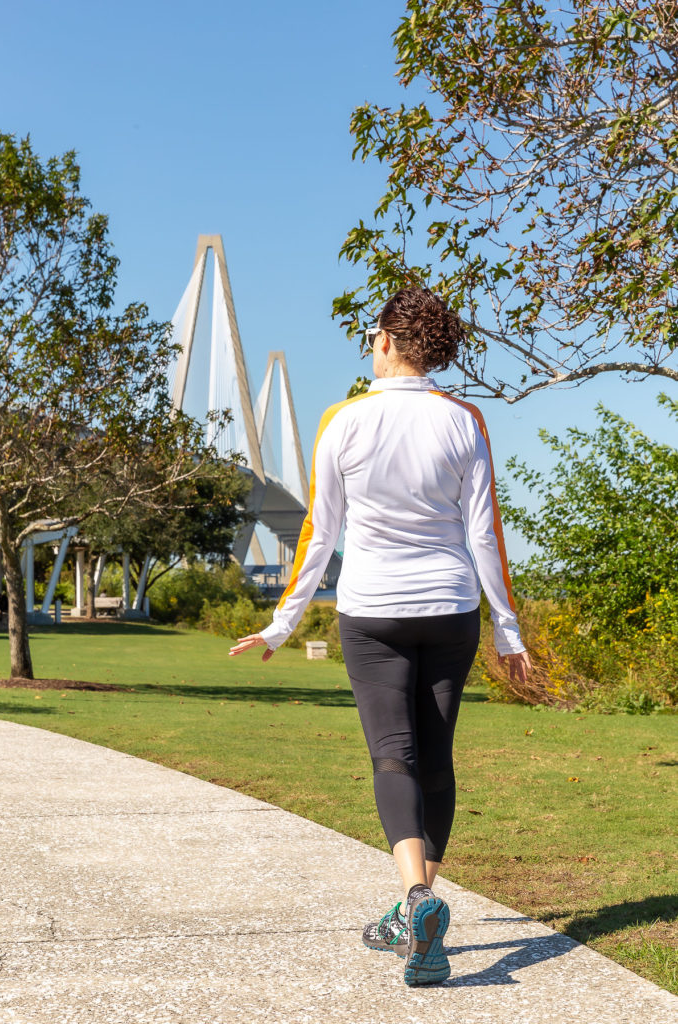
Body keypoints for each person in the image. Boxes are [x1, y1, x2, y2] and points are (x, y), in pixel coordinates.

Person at [229, 287, 531, 986]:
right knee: (436, 761)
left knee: (392, 758)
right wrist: (509, 634)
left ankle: (415, 900)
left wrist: (282, 624)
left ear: (387, 342)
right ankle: (413, 910)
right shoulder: (466, 421)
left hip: (371, 611)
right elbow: (484, 535)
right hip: (450, 607)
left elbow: (317, 535)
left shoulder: (343, 420)